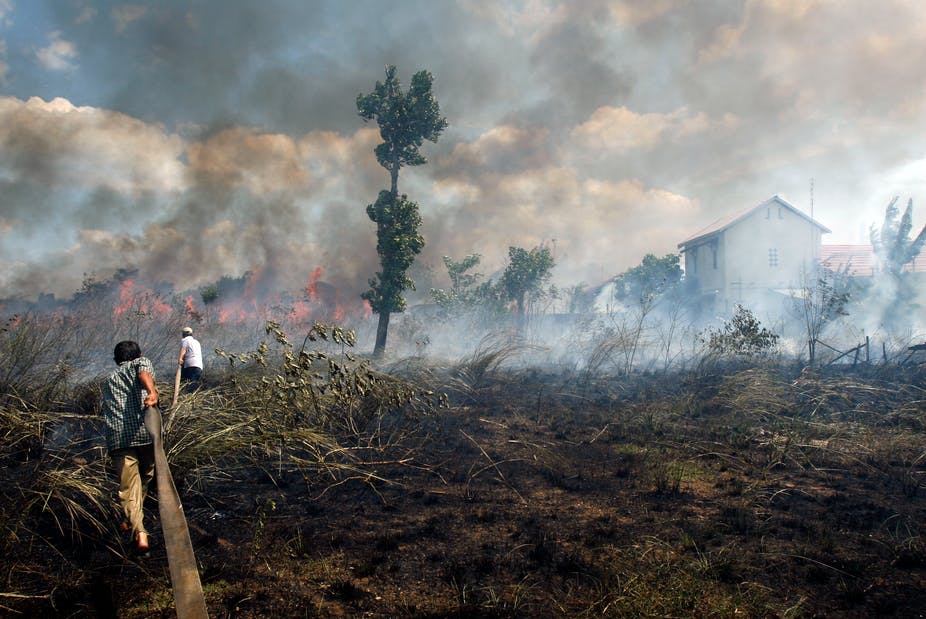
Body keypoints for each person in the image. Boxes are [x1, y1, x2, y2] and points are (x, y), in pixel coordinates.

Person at [101, 340, 158, 554]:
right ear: (139, 354)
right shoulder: (141, 362)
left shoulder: (109, 379)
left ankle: (132, 522)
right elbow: (144, 375)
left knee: (129, 487)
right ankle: (140, 533)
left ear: (117, 360)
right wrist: (151, 392)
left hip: (118, 439)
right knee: (145, 478)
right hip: (143, 433)